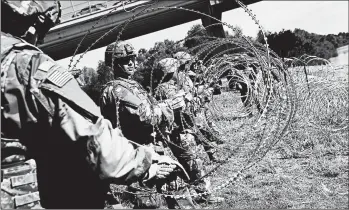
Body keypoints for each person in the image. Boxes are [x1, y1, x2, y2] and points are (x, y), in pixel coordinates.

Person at [1, 1, 177, 209]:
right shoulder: (25, 65)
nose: (39, 39)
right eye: (43, 31)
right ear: (32, 25)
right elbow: (94, 140)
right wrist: (147, 162)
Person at [100, 42, 195, 209]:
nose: (131, 63)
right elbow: (146, 116)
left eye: (132, 59)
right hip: (140, 153)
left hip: (153, 148)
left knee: (179, 194)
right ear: (113, 64)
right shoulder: (117, 90)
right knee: (151, 203)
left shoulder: (131, 86)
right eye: (125, 60)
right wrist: (170, 105)